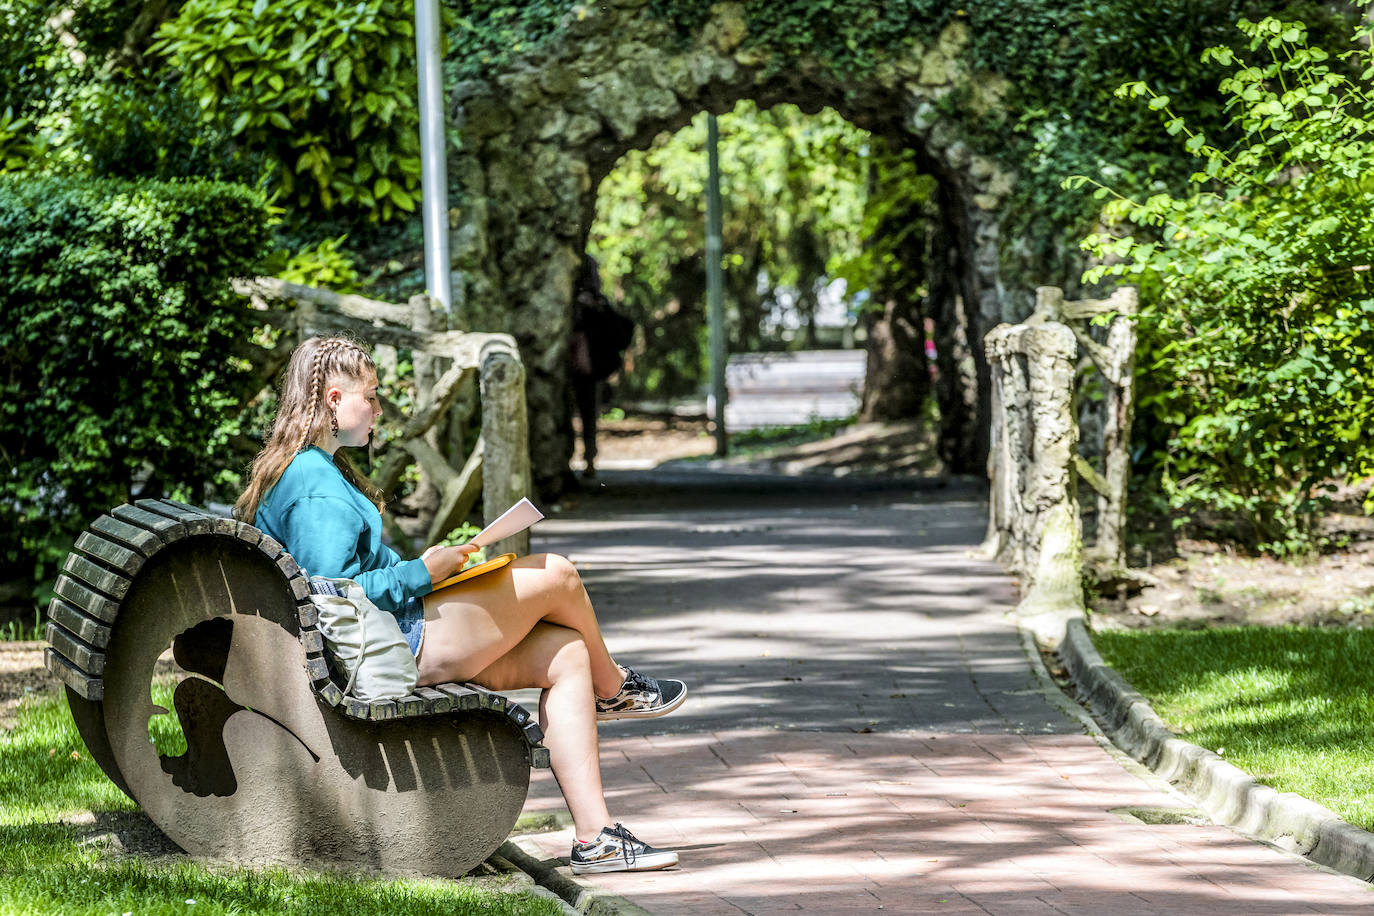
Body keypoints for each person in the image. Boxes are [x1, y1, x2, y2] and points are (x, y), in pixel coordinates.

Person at [233, 335, 687, 874]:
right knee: (558, 574)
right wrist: (425, 572)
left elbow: (343, 581)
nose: (378, 410)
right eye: (371, 397)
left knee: (568, 654)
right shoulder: (313, 481)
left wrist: (431, 566)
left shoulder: (311, 468)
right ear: (334, 399)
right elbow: (335, 595)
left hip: (388, 637)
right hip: (385, 648)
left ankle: (596, 840)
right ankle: (615, 691)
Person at [570, 253, 634, 480]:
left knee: (587, 413)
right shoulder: (588, 303)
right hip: (575, 366)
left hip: (587, 368)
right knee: (583, 413)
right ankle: (586, 458)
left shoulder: (595, 304)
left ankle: (588, 458)